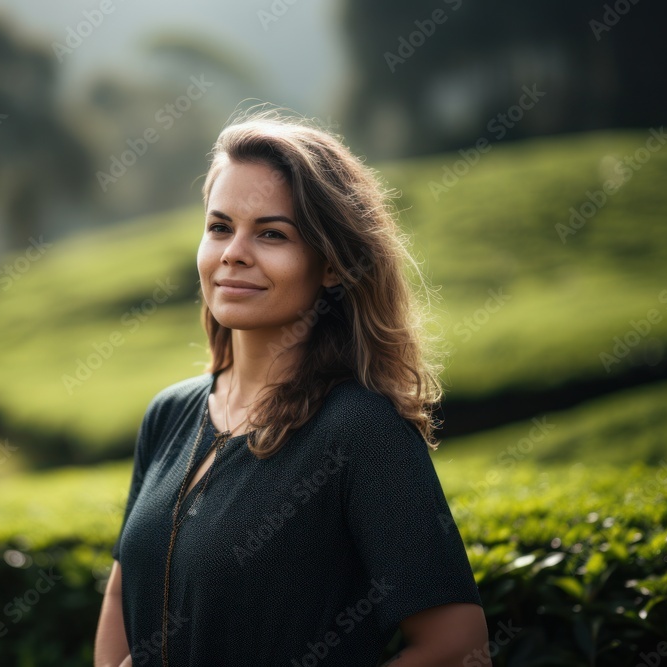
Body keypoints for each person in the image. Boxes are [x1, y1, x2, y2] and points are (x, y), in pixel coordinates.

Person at [94, 108, 488, 667]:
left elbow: (458, 648)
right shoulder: (169, 413)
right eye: (219, 226)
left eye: (272, 233)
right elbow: (120, 590)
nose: (233, 252)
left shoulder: (362, 430)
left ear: (331, 265)